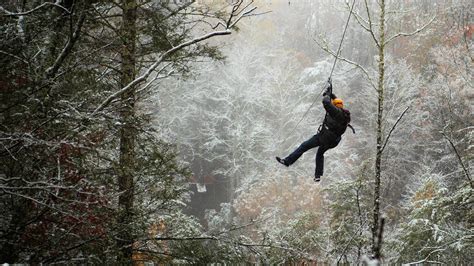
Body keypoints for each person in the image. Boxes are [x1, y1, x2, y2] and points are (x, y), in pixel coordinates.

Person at [276, 83, 351, 182]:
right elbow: (334, 103)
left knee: (304, 146)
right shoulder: (343, 115)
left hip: (324, 137)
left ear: (335, 106)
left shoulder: (336, 112)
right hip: (333, 141)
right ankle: (317, 176)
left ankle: (287, 161)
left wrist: (327, 96)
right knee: (320, 154)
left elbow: (326, 102)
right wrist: (331, 94)